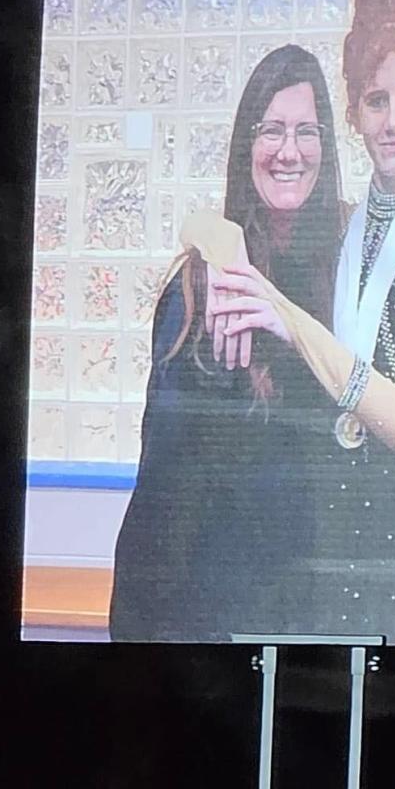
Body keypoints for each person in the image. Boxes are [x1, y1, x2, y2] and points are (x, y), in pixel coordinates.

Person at [193, 0, 395, 645]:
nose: (393, 119)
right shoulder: (335, 227)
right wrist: (215, 256)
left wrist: (285, 316)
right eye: (375, 98)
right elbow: (227, 220)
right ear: (353, 113)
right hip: (325, 520)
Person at [109, 45, 346, 641]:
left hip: (323, 616)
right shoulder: (201, 289)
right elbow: (164, 489)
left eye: (305, 131)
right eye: (271, 130)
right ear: (247, 146)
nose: (288, 150)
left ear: (327, 146)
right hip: (216, 623)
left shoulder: (349, 279)